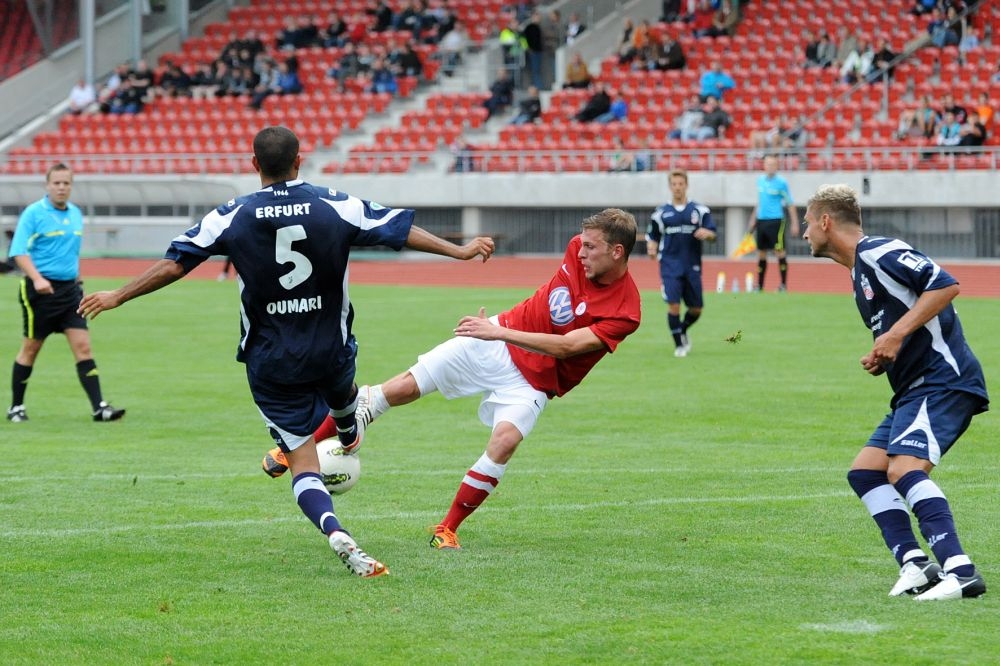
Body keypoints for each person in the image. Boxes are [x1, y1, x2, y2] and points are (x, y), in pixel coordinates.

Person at [76, 127, 496, 576]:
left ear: (254, 165)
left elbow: (176, 262)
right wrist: (459, 250)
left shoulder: (232, 214)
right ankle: (349, 425)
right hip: (330, 349)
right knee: (344, 390)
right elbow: (398, 229)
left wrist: (119, 294)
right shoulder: (334, 203)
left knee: (301, 461)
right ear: (301, 160)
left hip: (271, 359)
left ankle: (336, 530)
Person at [261, 208, 642, 551]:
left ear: (617, 252)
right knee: (402, 388)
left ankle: (447, 528)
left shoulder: (626, 311)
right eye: (583, 245)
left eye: (592, 248)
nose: (580, 253)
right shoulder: (578, 248)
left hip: (532, 375)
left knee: (505, 441)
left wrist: (499, 333)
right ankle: (301, 445)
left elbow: (568, 347)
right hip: (493, 340)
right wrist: (497, 332)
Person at [801, 183, 988, 601]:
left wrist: (895, 336)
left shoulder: (879, 251)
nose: (804, 233)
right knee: (866, 472)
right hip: (913, 388)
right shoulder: (859, 273)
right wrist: (885, 354)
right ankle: (915, 564)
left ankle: (960, 571)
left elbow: (944, 284)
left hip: (943, 380)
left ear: (826, 222)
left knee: (904, 470)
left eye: (808, 223)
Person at [7, 163, 125, 423]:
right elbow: (18, 252)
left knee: (83, 347)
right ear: (47, 185)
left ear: (71, 186)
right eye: (56, 183)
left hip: (70, 291)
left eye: (66, 183)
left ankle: (99, 408)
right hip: (40, 291)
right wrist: (37, 278)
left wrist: (76, 276)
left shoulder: (75, 213)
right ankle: (16, 407)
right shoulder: (34, 213)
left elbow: (70, 251)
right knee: (31, 348)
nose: (61, 187)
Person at [646, 168, 716, 357]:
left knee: (696, 309)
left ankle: (682, 329)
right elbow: (652, 236)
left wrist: (707, 234)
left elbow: (712, 234)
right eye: (674, 184)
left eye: (681, 184)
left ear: (686, 185)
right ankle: (679, 345)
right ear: (670, 187)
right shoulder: (661, 213)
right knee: (674, 305)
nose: (677, 188)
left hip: (692, 265)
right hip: (669, 264)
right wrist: (651, 247)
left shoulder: (700, 211)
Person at [747, 155, 799, 292]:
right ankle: (760, 286)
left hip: (776, 220)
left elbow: (790, 203)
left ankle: (783, 285)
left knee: (779, 251)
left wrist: (795, 223)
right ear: (764, 165)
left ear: (777, 166)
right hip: (761, 220)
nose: (770, 166)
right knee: (761, 253)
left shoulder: (782, 183)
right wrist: (753, 219)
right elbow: (759, 201)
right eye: (767, 164)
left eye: (773, 164)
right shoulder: (760, 181)